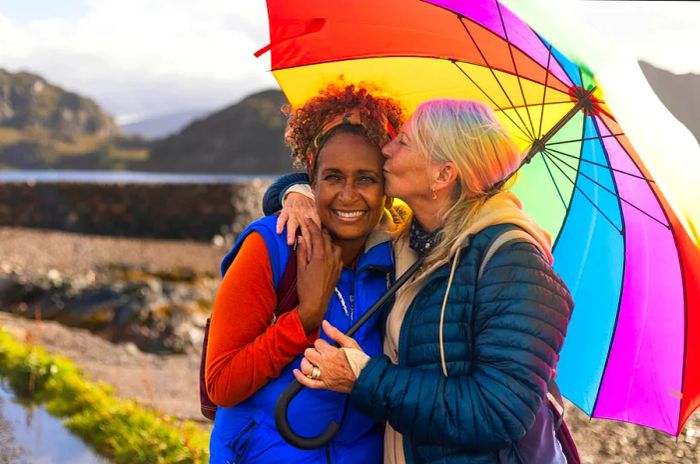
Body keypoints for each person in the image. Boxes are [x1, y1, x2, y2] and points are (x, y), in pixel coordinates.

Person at [270, 98, 575, 463]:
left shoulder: (514, 262)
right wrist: (296, 194)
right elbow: (335, 191)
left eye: (404, 143)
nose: (387, 148)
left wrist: (364, 378)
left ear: (443, 175)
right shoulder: (407, 239)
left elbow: (499, 411)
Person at [205, 83, 404, 464]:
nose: (348, 195)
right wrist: (304, 318)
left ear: (387, 187)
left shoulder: (398, 262)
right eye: (333, 177)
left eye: (366, 178)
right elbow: (221, 384)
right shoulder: (274, 244)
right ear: (311, 177)